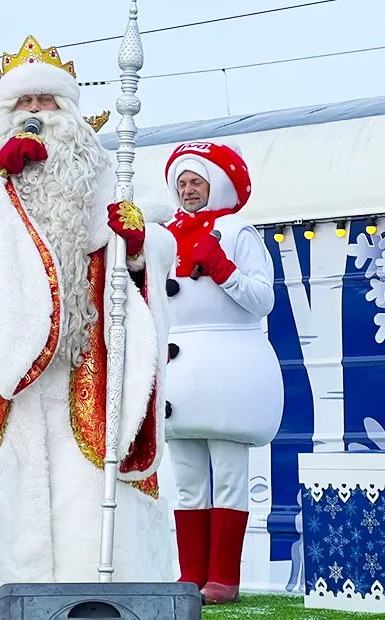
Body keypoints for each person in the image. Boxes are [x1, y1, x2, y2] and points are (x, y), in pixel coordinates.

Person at [0, 35, 177, 619]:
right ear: (3, 114)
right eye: (26, 102)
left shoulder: (108, 171)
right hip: (4, 356)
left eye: (49, 101)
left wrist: (138, 246)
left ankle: (103, 581)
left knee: (88, 464)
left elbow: (147, 256)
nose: (37, 112)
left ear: (71, 112)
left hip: (87, 350)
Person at [162, 141, 284, 604]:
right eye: (183, 183)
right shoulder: (168, 232)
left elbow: (262, 299)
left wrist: (224, 271)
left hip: (230, 367)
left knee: (230, 476)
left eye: (197, 182)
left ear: (216, 186)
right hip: (180, 367)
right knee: (188, 479)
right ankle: (191, 574)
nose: (189, 191)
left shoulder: (237, 232)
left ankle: (224, 579)